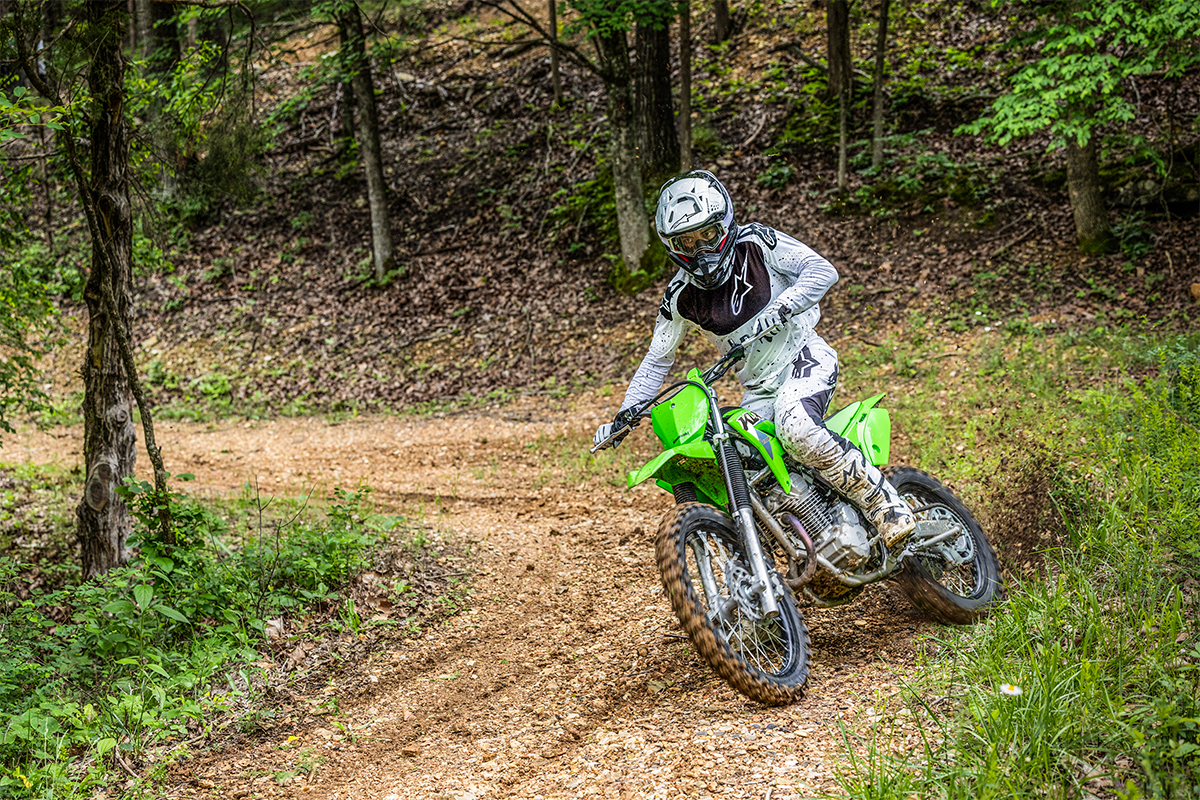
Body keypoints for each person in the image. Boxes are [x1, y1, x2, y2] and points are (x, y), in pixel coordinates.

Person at [593, 170, 915, 548]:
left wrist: (784, 305)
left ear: (724, 225)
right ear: (671, 245)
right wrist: (626, 413)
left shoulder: (757, 243)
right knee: (732, 452)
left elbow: (821, 271)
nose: (700, 250)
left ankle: (885, 505)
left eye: (708, 235)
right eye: (686, 241)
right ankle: (799, 537)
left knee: (797, 427)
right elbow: (657, 359)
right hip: (758, 389)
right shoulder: (679, 294)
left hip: (803, 357)